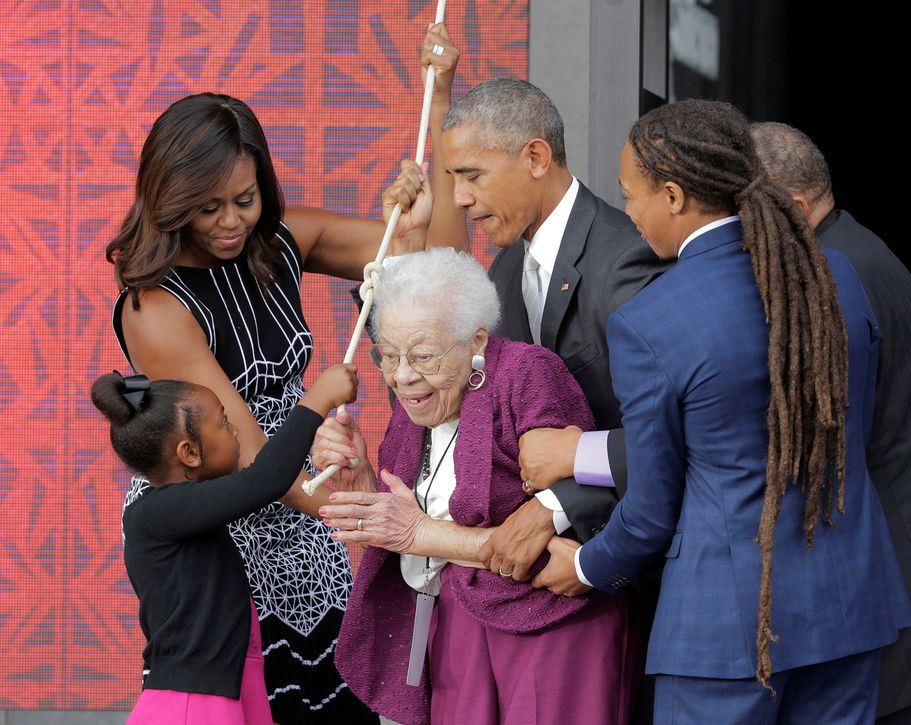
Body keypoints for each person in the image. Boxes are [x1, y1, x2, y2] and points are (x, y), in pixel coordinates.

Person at [536, 99, 911, 723]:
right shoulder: (836, 278)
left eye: (632, 196)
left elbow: (652, 509)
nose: (628, 213)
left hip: (726, 628)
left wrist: (585, 563)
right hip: (847, 605)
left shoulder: (651, 321)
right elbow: (849, 435)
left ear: (676, 197)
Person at [105, 92, 430, 722]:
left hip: (304, 500)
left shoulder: (277, 241)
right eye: (207, 208)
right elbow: (250, 457)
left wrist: (415, 218)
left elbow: (422, 263)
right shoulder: (157, 308)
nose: (230, 221)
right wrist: (360, 499)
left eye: (245, 200)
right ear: (169, 202)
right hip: (227, 525)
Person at [314, 248, 632, 725]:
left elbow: (570, 520)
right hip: (459, 619)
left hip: (551, 624)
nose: (402, 376)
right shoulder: (417, 404)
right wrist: (359, 479)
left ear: (476, 339)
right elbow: (407, 523)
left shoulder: (528, 375)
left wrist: (419, 534)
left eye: (422, 356)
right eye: (389, 355)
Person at [380, 66, 670, 579]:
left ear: (535, 157)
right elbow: (454, 402)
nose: (461, 199)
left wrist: (557, 506)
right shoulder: (509, 265)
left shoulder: (626, 260)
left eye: (472, 175)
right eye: (453, 180)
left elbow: (666, 434)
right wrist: (404, 249)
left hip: (615, 565)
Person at [750, 121, 911, 724]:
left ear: (795, 209)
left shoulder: (833, 276)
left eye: (745, 216)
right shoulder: (856, 249)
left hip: (898, 580)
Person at [91, 362, 357, 724]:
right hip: (192, 701)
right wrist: (318, 399)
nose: (236, 432)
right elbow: (264, 481)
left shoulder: (186, 510)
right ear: (189, 453)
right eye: (224, 423)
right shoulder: (155, 513)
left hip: (229, 685)